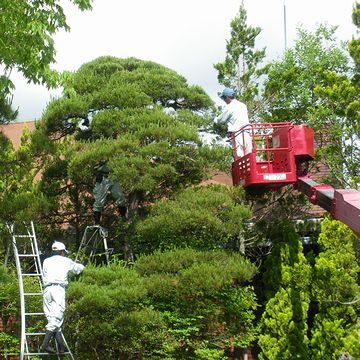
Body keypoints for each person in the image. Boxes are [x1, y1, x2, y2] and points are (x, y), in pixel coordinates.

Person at [41, 241, 85, 353]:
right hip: (58, 290)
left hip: (47, 290)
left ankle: (61, 347)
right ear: (62, 251)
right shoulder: (66, 261)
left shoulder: (46, 261)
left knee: (52, 317)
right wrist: (82, 264)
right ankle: (45, 344)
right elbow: (78, 269)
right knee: (57, 316)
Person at [214, 87, 252, 157]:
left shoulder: (229, 107)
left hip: (238, 134)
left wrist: (215, 120)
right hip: (247, 133)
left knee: (239, 157)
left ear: (227, 97)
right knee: (249, 156)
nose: (224, 100)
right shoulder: (243, 105)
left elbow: (220, 120)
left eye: (224, 98)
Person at [92, 160, 127, 225]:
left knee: (121, 197)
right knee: (99, 201)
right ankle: (96, 223)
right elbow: (93, 164)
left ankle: (123, 217)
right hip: (102, 177)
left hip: (113, 176)